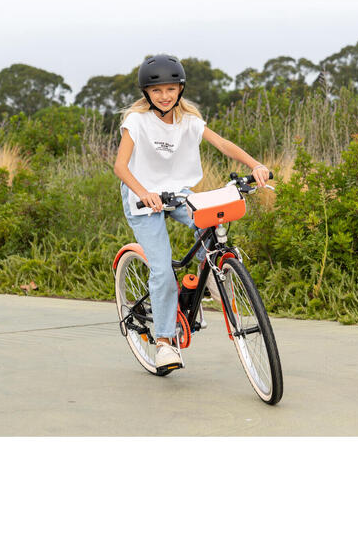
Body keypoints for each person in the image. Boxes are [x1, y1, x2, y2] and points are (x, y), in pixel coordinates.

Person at [113, 54, 270, 372]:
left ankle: (212, 274)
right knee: (162, 270)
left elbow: (223, 144)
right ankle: (165, 343)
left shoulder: (189, 121)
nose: (164, 96)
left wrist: (254, 164)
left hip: (177, 192)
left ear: (180, 89)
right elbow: (119, 165)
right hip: (143, 197)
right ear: (146, 93)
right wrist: (144, 193)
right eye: (157, 91)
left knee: (213, 224)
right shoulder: (137, 122)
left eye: (171, 89)